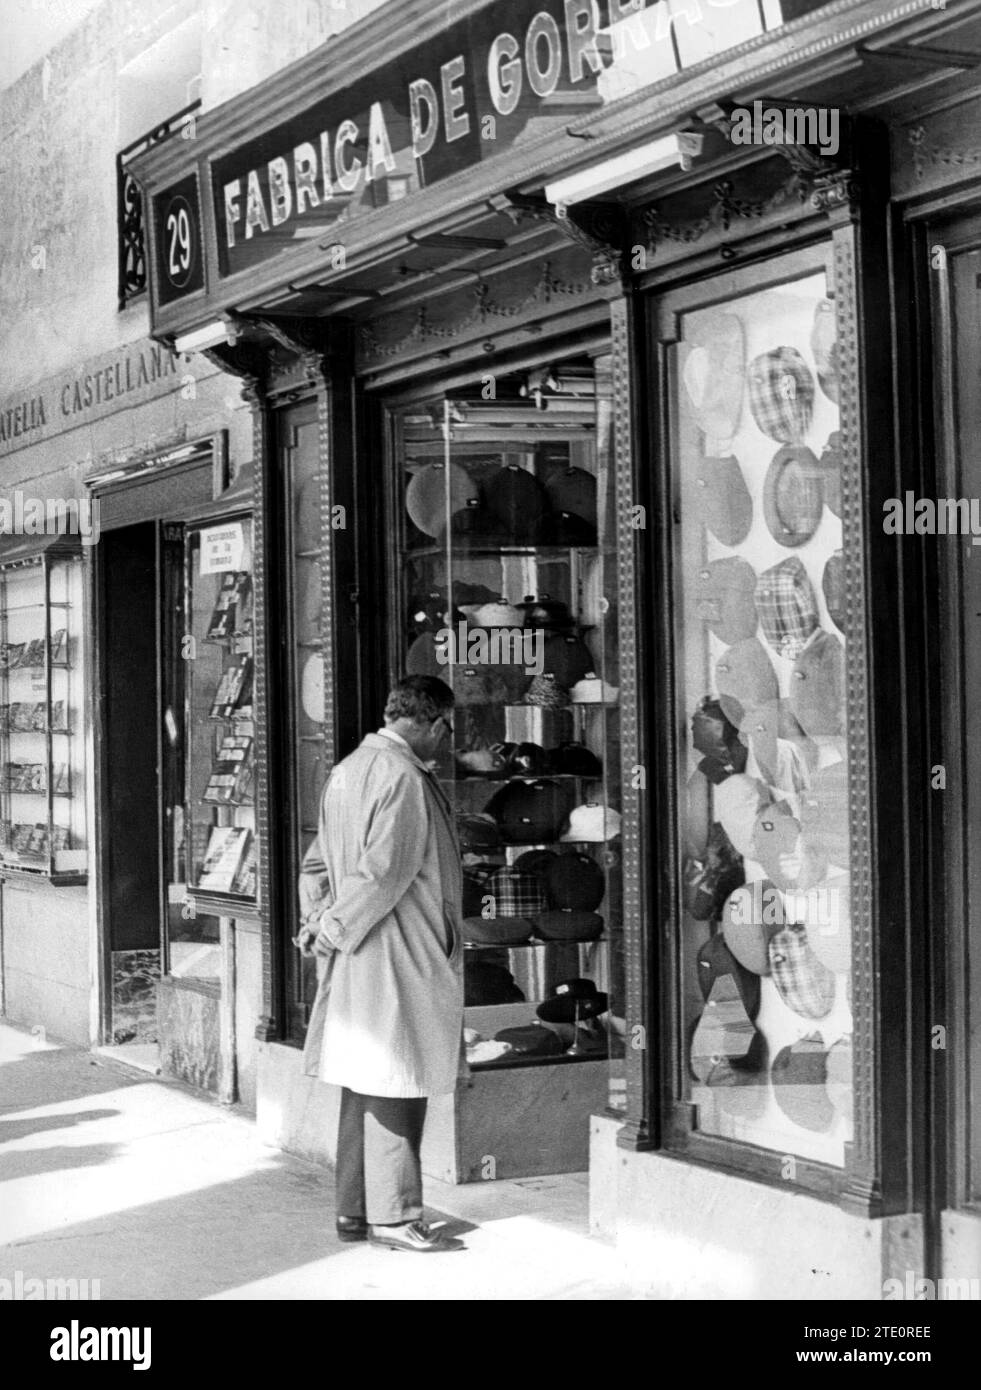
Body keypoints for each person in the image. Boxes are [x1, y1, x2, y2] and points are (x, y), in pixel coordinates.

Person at [297, 674, 464, 1253]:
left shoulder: (345, 771)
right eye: (444, 728)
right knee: (399, 1076)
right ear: (428, 722)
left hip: (358, 948)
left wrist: (318, 923)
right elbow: (384, 872)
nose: (444, 741)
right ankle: (394, 1218)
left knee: (363, 1081)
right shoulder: (403, 778)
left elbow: (315, 866)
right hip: (396, 947)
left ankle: (354, 1211)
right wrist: (334, 930)